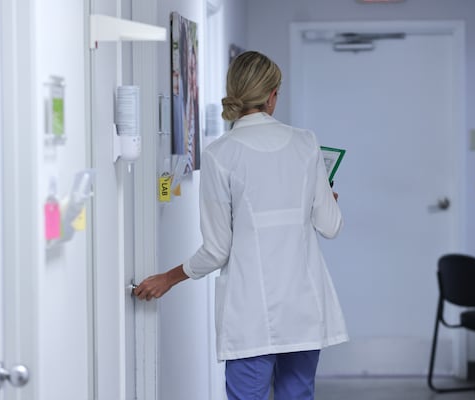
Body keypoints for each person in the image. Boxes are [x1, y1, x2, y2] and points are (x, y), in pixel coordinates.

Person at [134, 50, 347, 400]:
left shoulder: (221, 153)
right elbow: (330, 226)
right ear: (273, 95)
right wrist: (325, 201)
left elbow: (217, 250)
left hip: (251, 313)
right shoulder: (306, 143)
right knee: (298, 394)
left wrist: (167, 279)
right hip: (304, 307)